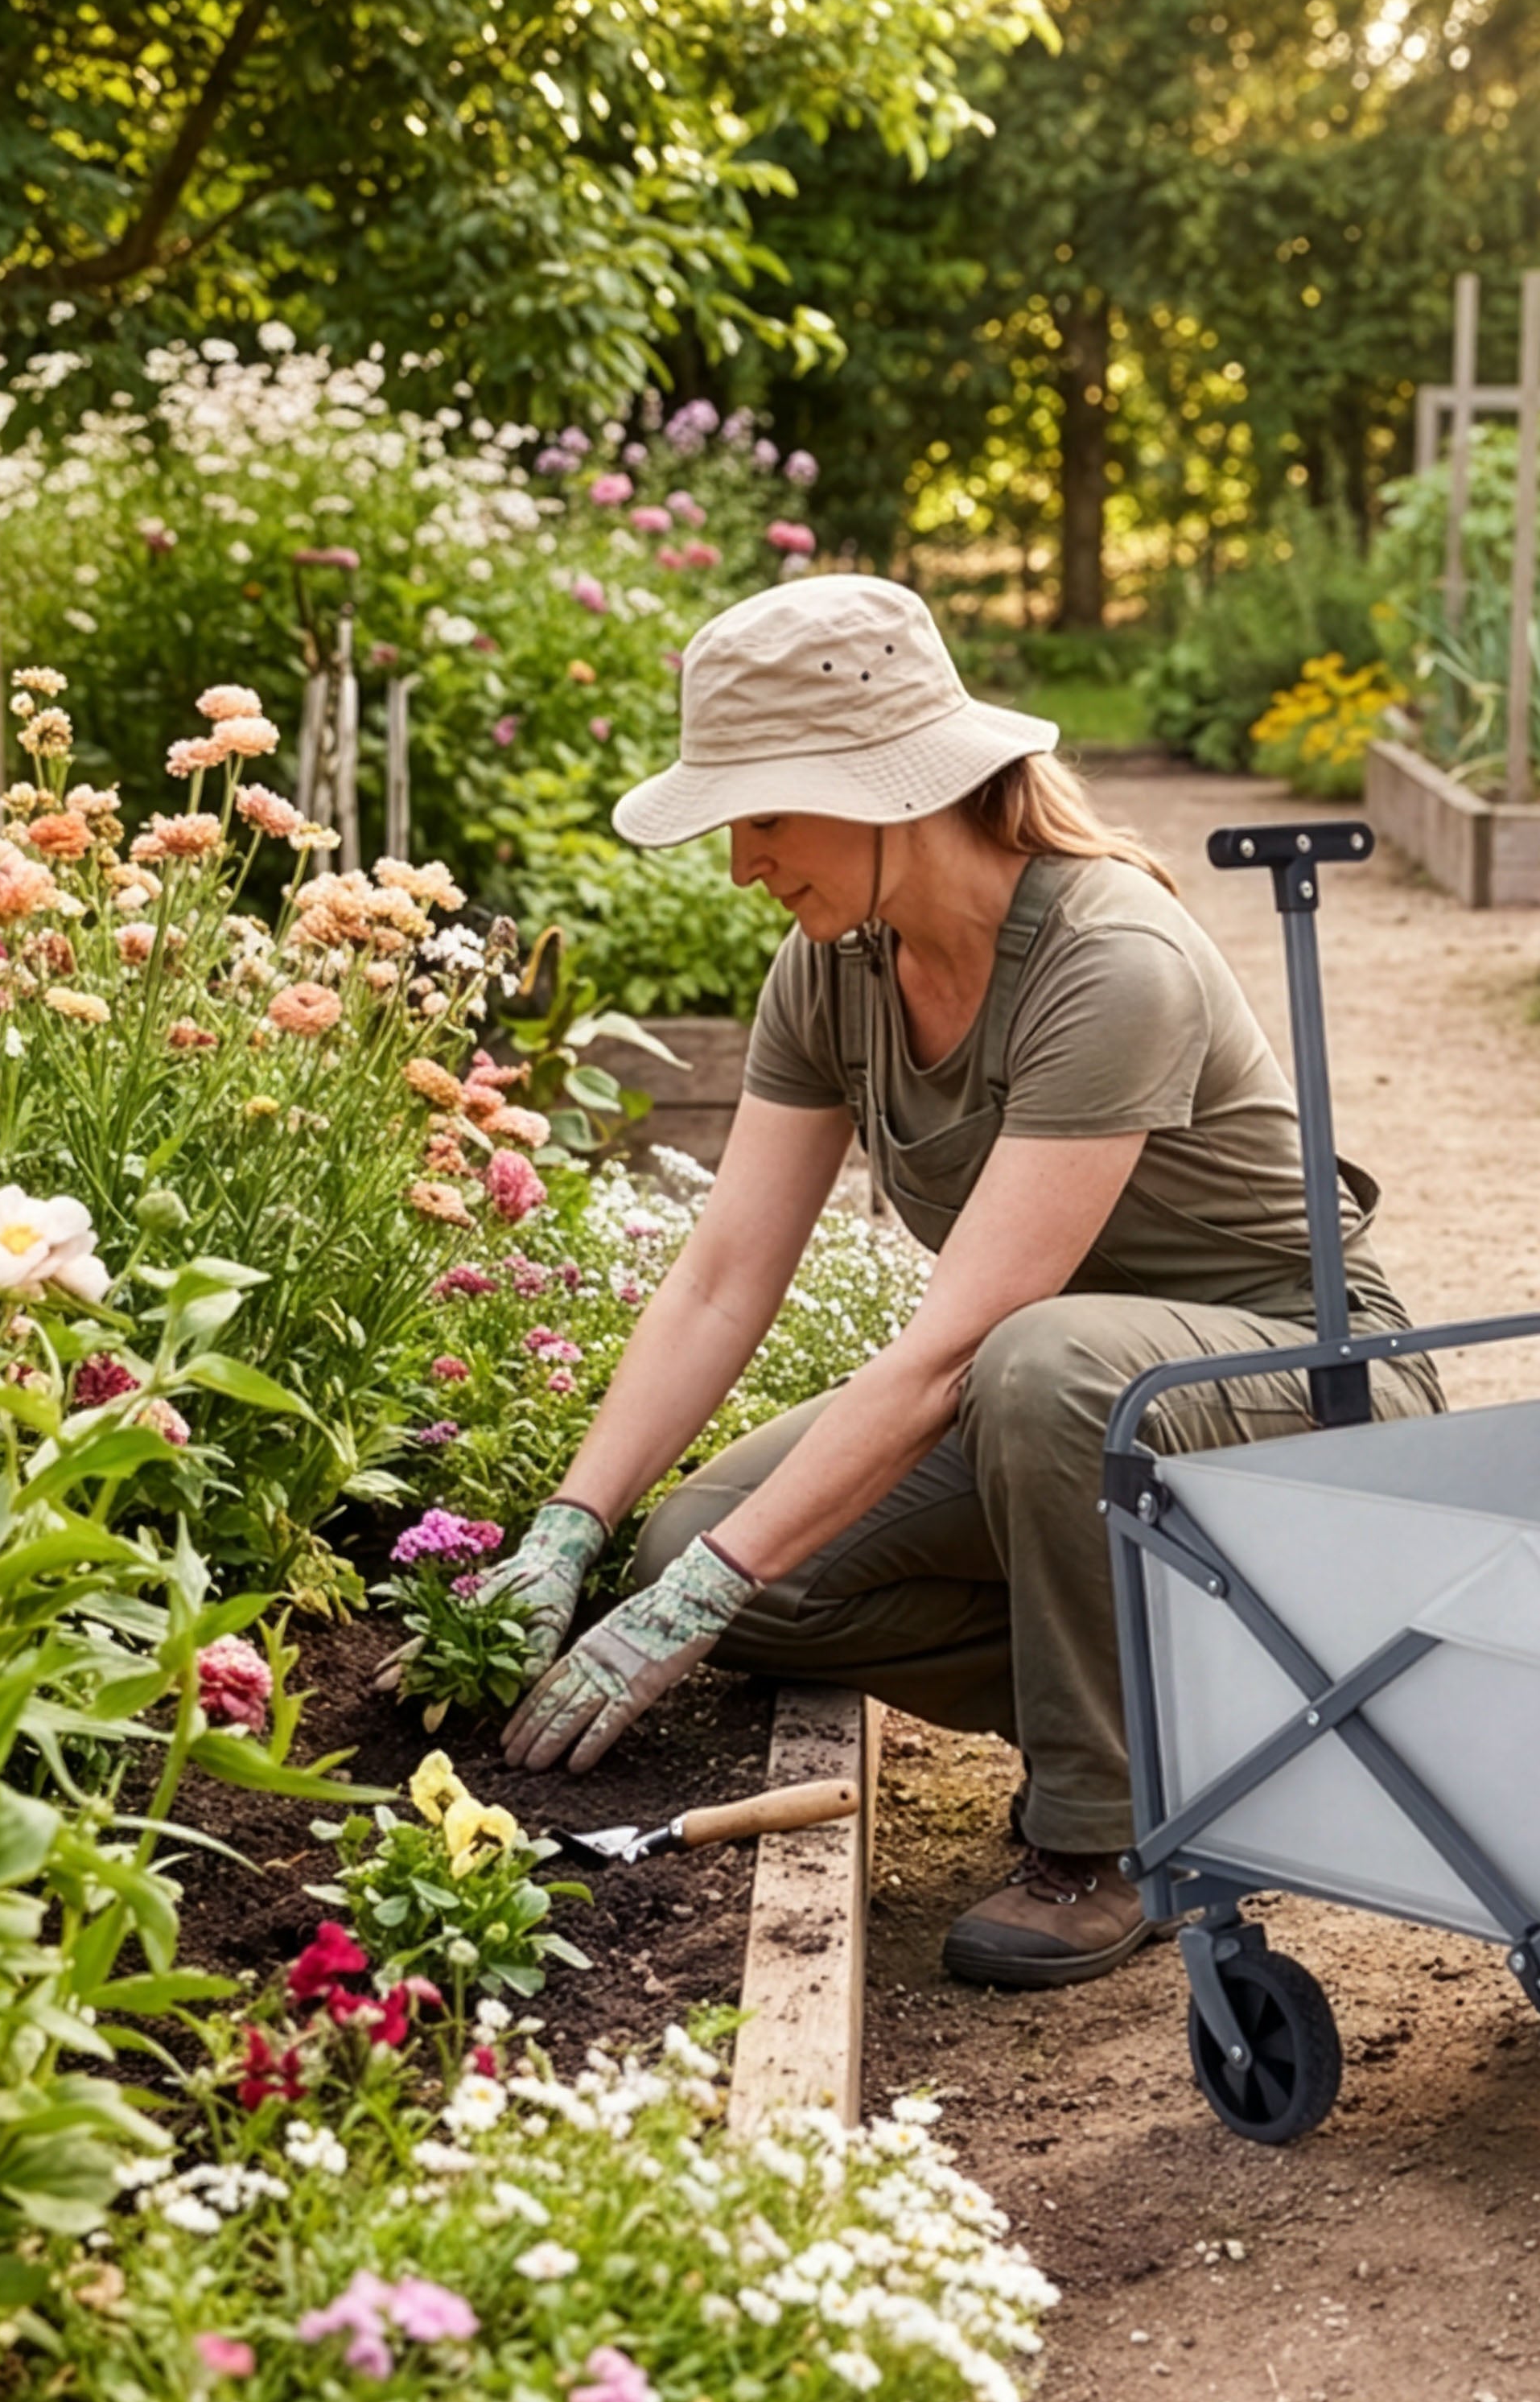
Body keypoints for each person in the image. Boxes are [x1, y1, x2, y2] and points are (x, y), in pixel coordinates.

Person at [486, 574, 1437, 1989]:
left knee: (1031, 1364)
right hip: (1057, 1408)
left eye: (762, 815)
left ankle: (1110, 1836)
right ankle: (1212, 1709)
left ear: (883, 792)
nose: (741, 861)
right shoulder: (834, 970)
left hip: (1298, 1393)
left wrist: (680, 1615)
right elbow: (721, 1281)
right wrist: (573, 1530)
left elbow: (959, 1348)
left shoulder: (1110, 960)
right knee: (707, 1545)